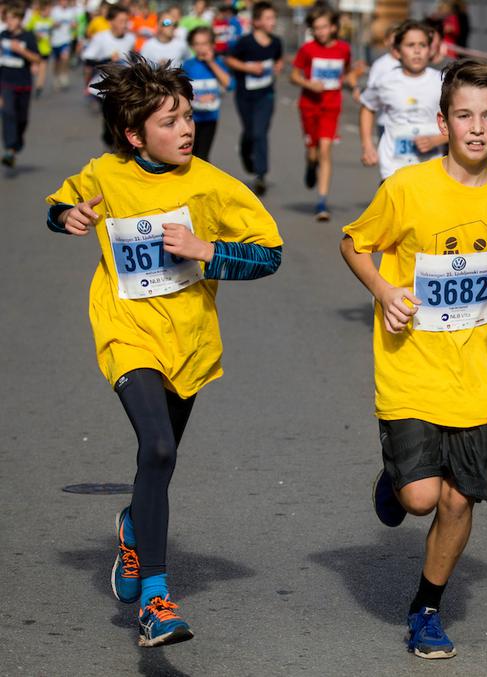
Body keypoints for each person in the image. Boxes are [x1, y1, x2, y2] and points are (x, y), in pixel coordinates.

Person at [45, 53, 282, 647]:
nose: (186, 129)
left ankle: (132, 526)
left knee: (161, 458)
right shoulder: (105, 174)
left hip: (190, 344)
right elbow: (59, 205)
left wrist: (207, 250)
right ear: (134, 134)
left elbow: (270, 253)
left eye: (188, 115)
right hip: (127, 331)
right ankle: (156, 599)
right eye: (170, 120)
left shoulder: (213, 185)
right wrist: (67, 215)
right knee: (155, 444)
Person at [341, 59, 487, 659]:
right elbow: (353, 243)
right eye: (464, 115)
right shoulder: (407, 188)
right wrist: (385, 292)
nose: (477, 127)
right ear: (443, 122)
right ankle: (398, 479)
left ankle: (427, 609)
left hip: (480, 375)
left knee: (458, 499)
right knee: (419, 499)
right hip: (410, 364)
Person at [358, 20, 444, 181]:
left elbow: (459, 122)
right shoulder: (386, 81)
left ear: (430, 50)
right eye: (410, 45)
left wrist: (437, 140)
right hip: (392, 168)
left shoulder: (442, 82)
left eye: (423, 45)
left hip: (431, 167)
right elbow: (367, 107)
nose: (417, 51)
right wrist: (368, 146)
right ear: (397, 52)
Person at [290, 3, 353, 221]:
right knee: (314, 150)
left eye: (324, 27)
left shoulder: (344, 49)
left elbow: (345, 74)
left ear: (334, 27)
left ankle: (321, 202)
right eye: (316, 28)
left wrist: (353, 82)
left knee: (325, 149)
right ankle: (310, 162)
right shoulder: (307, 50)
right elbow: (294, 76)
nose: (321, 32)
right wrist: (308, 83)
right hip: (309, 105)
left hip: (331, 106)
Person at [224, 0, 282, 196]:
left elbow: (279, 59)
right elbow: (229, 59)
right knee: (250, 132)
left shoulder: (276, 42)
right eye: (268, 18)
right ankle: (245, 151)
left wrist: (278, 67)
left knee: (260, 132)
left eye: (273, 18)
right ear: (256, 22)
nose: (272, 21)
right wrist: (249, 68)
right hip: (245, 95)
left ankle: (261, 174)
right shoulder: (245, 42)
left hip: (266, 94)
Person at [80, 3, 134, 147]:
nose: (125, 25)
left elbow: (133, 58)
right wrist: (107, 59)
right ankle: (109, 140)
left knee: (123, 116)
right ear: (111, 22)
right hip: (103, 85)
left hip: (124, 85)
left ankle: (120, 143)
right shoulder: (101, 38)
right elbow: (87, 58)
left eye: (126, 21)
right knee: (111, 116)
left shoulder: (130, 38)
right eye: (121, 21)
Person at [1, 1, 41, 168]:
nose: (10, 22)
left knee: (22, 118)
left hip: (23, 83)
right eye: (7, 18)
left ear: (20, 19)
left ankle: (17, 143)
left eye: (13, 18)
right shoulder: (2, 36)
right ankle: (10, 149)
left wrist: (21, 51)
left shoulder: (28, 36)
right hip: (5, 82)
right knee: (8, 113)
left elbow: (37, 58)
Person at [181, 25, 230, 161]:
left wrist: (211, 63)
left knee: (203, 157)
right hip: (191, 119)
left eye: (204, 44)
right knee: (190, 155)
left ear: (212, 45)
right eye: (196, 44)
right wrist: (195, 97)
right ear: (191, 46)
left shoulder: (218, 63)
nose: (200, 48)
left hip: (210, 117)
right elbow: (179, 90)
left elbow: (229, 84)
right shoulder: (188, 65)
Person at [25, 0, 53, 94]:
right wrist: (35, 35)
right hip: (34, 48)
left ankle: (39, 87)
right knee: (34, 69)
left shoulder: (50, 20)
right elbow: (27, 31)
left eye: (49, 10)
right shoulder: (34, 19)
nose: (48, 12)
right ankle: (30, 84)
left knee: (43, 68)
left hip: (45, 48)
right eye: (46, 10)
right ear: (41, 10)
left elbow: (51, 34)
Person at [49, 0, 77, 89]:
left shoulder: (71, 11)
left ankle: (63, 75)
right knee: (57, 61)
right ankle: (56, 77)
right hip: (55, 40)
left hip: (66, 39)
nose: (64, 2)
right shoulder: (54, 11)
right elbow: (50, 23)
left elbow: (74, 24)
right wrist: (54, 24)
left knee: (65, 58)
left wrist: (74, 25)